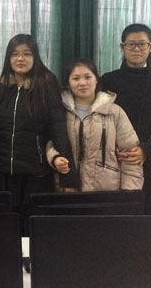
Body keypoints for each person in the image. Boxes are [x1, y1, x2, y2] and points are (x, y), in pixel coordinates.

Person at [101, 23, 151, 288]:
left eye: (142, 44)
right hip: (113, 161)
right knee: (115, 218)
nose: (136, 49)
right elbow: (96, 115)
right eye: (131, 44)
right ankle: (115, 269)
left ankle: (149, 267)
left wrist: (147, 149)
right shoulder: (108, 81)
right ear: (122, 47)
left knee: (146, 217)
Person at [0, 34, 78, 235]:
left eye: (26, 54)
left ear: (35, 57)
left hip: (36, 173)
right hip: (5, 173)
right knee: (7, 228)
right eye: (15, 54)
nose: (20, 59)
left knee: (34, 228)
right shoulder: (0, 88)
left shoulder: (46, 83)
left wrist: (69, 176)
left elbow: (58, 128)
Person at [46, 58, 143, 192]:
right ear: (68, 82)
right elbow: (49, 142)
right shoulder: (59, 111)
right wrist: (54, 158)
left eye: (88, 77)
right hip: (68, 189)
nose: (82, 83)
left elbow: (130, 155)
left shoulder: (114, 112)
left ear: (96, 79)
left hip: (107, 191)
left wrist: (130, 192)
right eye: (76, 78)